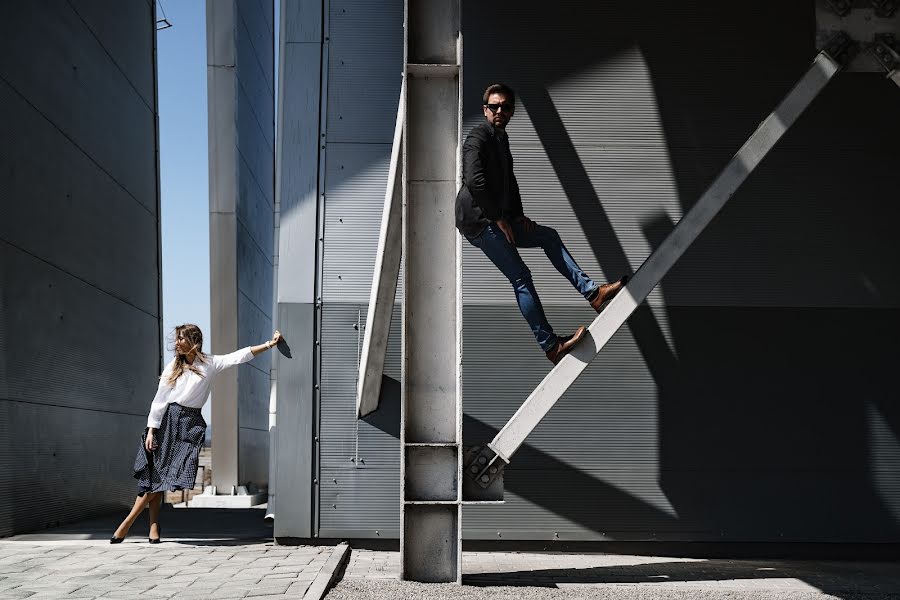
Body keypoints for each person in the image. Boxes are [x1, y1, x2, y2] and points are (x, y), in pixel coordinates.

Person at [455, 83, 627, 364]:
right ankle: (551, 345)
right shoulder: (478, 137)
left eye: (505, 107)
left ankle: (593, 294)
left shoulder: (501, 138)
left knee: (547, 236)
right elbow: (475, 182)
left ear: (511, 111)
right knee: (521, 277)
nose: (499, 111)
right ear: (485, 110)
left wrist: (517, 215)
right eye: (494, 106)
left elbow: (509, 181)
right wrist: (499, 218)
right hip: (478, 220)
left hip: (500, 217)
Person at [110, 324, 283, 543]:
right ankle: (150, 527)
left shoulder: (209, 364)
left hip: (190, 425)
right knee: (154, 475)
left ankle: (128, 522)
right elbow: (160, 399)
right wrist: (152, 429)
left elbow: (239, 356)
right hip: (167, 422)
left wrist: (269, 345)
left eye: (181, 339)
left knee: (165, 474)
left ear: (195, 341)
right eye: (176, 339)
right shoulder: (173, 366)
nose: (177, 343)